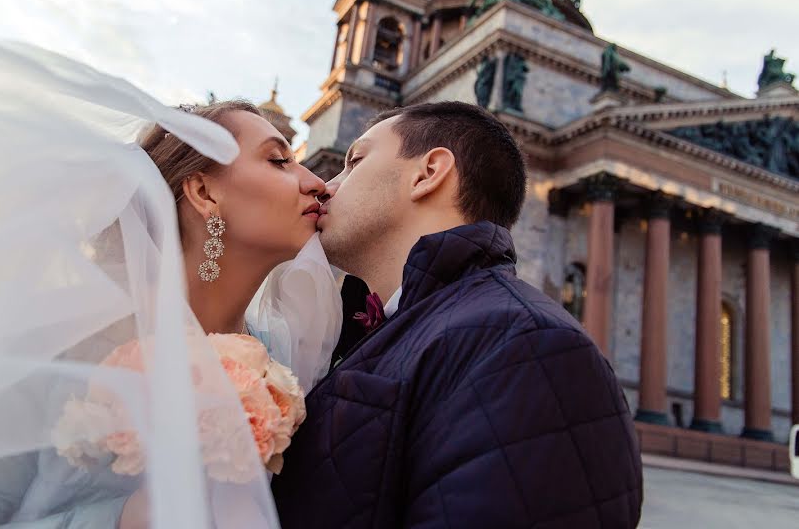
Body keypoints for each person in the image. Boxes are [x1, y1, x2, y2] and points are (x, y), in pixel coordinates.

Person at [0, 34, 339, 529]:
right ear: (203, 193)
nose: (318, 183)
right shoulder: (60, 341)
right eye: (279, 160)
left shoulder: (283, 364)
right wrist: (119, 520)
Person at [272, 101, 643, 528]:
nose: (324, 186)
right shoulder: (391, 327)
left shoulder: (529, 348)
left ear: (429, 174)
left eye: (354, 162)